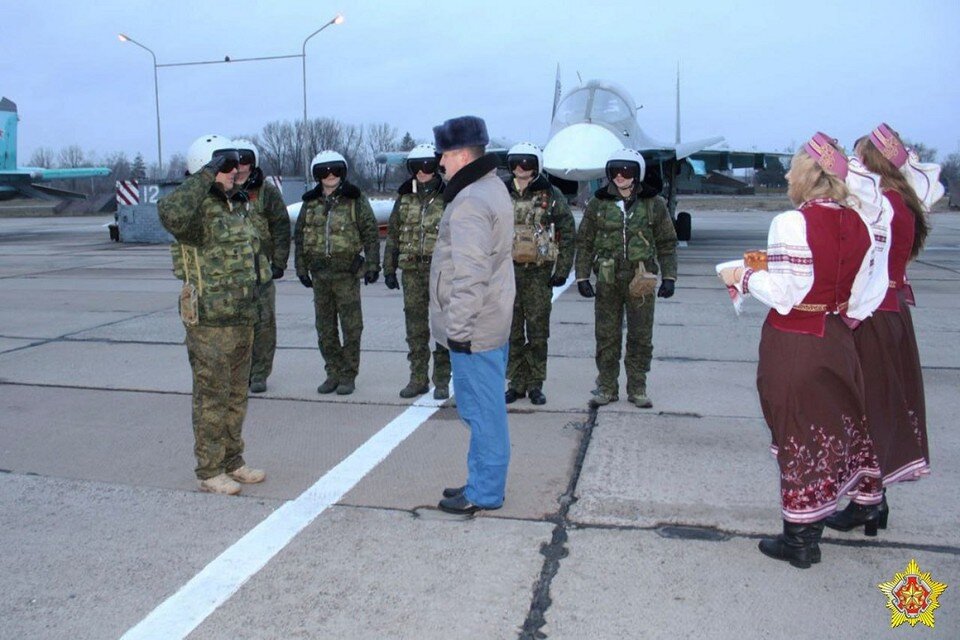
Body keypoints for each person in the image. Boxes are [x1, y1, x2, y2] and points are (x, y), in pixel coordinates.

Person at [718, 133, 884, 568]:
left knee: (796, 434)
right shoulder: (861, 222)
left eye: (793, 169)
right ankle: (823, 520)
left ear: (807, 175)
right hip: (837, 341)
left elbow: (786, 294)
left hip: (794, 344)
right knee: (831, 432)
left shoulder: (791, 223)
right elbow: (865, 297)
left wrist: (742, 277)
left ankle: (800, 541)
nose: (789, 176)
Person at [826, 125, 942, 535]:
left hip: (871, 314)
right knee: (874, 404)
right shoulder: (902, 199)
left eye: (858, 157)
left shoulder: (883, 204)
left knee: (865, 408)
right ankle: (874, 502)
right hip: (891, 311)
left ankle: (867, 502)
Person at [158, 134, 270, 495]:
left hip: (242, 317)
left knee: (236, 396)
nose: (234, 171)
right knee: (211, 398)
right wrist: (207, 175)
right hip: (209, 322)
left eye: (234, 165)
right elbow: (169, 212)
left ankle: (232, 461)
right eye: (226, 165)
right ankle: (209, 469)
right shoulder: (194, 211)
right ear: (204, 167)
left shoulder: (238, 204)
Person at [429, 115, 515, 515]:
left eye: (444, 155)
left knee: (482, 413)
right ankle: (481, 480)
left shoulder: (470, 202)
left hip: (475, 328)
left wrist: (459, 331)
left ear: (462, 155)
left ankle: (485, 492)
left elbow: (470, 274)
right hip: (489, 319)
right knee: (483, 410)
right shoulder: (490, 187)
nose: (440, 163)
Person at [574, 149, 677, 408]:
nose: (620, 176)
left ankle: (638, 387)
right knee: (606, 335)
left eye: (626, 171)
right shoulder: (598, 204)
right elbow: (585, 242)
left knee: (640, 335)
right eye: (615, 171)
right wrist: (582, 277)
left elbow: (666, 242)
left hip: (640, 281)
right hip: (607, 280)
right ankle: (607, 387)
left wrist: (669, 277)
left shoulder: (654, 204)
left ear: (637, 174)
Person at [293, 150, 380, 396]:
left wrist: (373, 265)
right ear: (317, 175)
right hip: (320, 276)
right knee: (325, 329)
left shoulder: (355, 200)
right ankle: (333, 372)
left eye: (335, 170)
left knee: (352, 328)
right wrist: (301, 268)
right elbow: (299, 237)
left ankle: (348, 375)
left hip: (346, 275)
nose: (330, 175)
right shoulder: (310, 204)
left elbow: (370, 233)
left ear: (343, 172)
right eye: (324, 171)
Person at [503, 142, 576, 406]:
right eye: (516, 163)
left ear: (536, 166)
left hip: (538, 274)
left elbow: (568, 231)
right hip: (507, 273)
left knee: (537, 332)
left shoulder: (551, 194)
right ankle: (516, 383)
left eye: (527, 163)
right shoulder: (500, 193)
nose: (521, 168)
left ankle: (535, 384)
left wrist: (562, 270)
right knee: (511, 332)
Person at [382, 143, 452, 400]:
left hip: (441, 272)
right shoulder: (404, 199)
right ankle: (418, 378)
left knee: (442, 326)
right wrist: (389, 268)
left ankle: (442, 380)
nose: (422, 172)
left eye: (427, 166)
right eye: (416, 167)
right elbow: (393, 235)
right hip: (411, 271)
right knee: (415, 328)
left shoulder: (449, 196)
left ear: (436, 166)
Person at [232, 138, 290, 394]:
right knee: (236, 325)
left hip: (261, 270)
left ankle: (259, 373)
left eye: (245, 159)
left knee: (264, 324)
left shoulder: (267, 191)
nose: (241, 165)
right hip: (232, 273)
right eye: (236, 160)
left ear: (253, 162)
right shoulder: (221, 190)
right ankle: (240, 371)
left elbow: (281, 226)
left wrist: (279, 262)